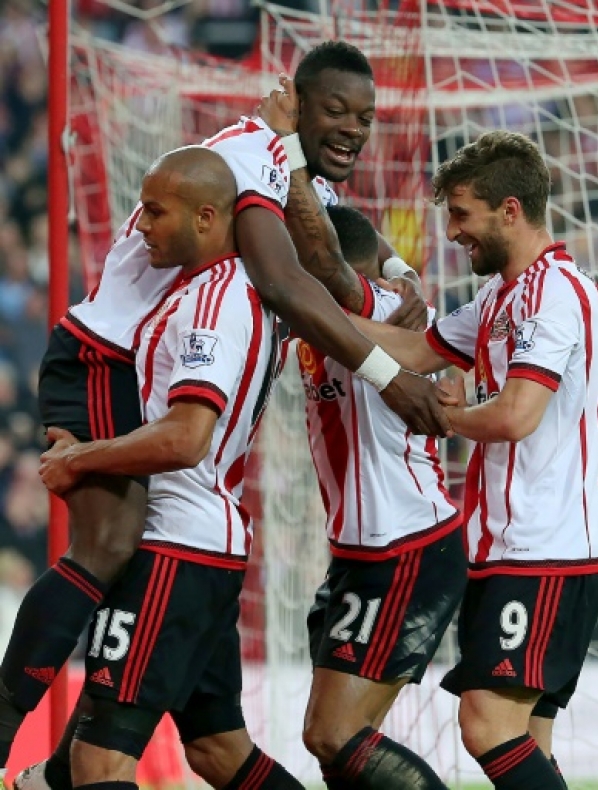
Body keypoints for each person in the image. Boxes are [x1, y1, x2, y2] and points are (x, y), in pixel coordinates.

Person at [0, 39, 452, 788]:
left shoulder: (279, 183)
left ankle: (39, 774)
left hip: (199, 515)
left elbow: (339, 248)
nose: (353, 128)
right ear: (293, 104)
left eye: (365, 117)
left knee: (197, 750)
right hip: (107, 364)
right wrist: (388, 373)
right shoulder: (245, 183)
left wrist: (399, 275)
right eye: (334, 111)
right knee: (106, 550)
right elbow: (288, 278)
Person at [334, 131, 598, 789]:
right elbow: (415, 350)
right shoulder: (500, 298)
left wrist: (439, 415)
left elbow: (515, 415)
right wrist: (307, 308)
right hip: (515, 546)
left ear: (510, 210)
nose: (453, 232)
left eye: (461, 214)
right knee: (527, 738)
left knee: (486, 725)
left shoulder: (554, 292)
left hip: (545, 548)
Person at [36, 145, 304, 790]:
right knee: (218, 751)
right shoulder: (223, 293)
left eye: (155, 212)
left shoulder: (213, 306)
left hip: (175, 544)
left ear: (208, 218)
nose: (142, 225)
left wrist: (82, 457)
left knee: (98, 760)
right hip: (204, 548)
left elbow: (186, 437)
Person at [297, 205, 467, 789]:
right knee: (339, 753)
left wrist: (402, 282)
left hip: (403, 546)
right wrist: (406, 270)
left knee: (331, 734)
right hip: (364, 551)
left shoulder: (379, 309)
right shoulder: (340, 308)